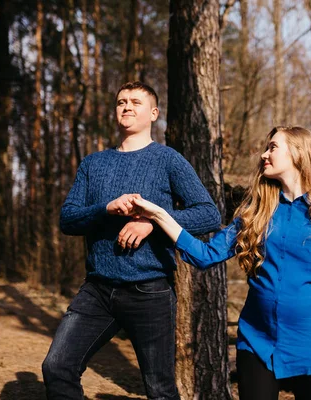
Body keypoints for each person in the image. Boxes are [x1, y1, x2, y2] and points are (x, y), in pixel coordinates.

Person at [123, 126, 311, 400]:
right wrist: (160, 215)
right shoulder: (256, 212)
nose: (263, 154)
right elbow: (204, 255)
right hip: (257, 341)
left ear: (298, 153)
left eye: (272, 147)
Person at [41, 81, 221, 400]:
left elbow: (209, 213)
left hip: (149, 291)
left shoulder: (168, 160)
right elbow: (68, 219)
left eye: (136, 102)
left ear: (153, 113)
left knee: (160, 390)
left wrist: (153, 221)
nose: (126, 106)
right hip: (97, 290)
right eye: (121, 101)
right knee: (57, 367)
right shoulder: (93, 164)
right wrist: (106, 208)